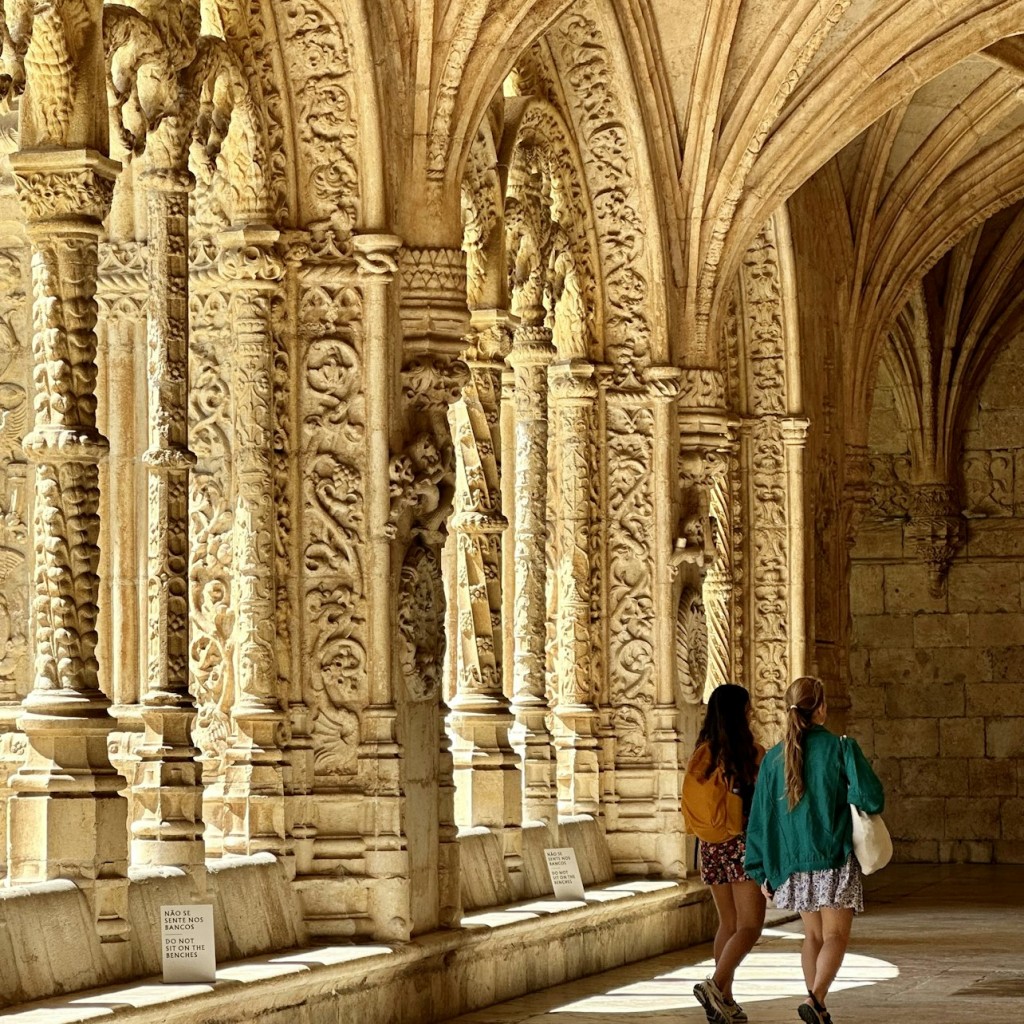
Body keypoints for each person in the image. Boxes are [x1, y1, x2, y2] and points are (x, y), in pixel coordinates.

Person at [744, 676, 885, 1024]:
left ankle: (817, 1011)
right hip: (833, 857)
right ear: (821, 708)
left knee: (812, 936)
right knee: (836, 935)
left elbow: (761, 820)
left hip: (792, 864)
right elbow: (871, 797)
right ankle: (816, 998)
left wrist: (761, 869)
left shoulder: (774, 759)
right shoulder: (841, 747)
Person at [684, 683, 766, 1024]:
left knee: (728, 923)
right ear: (741, 713)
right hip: (741, 845)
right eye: (748, 708)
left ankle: (726, 1001)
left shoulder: (701, 754)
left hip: (710, 846)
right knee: (750, 926)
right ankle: (715, 985)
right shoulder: (751, 754)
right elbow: (763, 804)